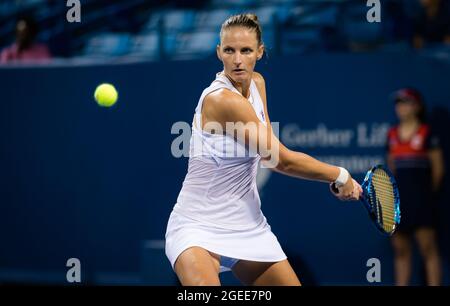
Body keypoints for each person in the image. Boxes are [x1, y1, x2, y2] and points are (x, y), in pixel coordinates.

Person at [165, 14, 362, 286]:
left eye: (246, 51)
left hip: (248, 225)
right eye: (229, 50)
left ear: (259, 52)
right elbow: (281, 161)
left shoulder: (257, 83)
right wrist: (339, 175)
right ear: (218, 52)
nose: (237, 60)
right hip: (196, 226)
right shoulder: (221, 99)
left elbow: (266, 148)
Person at [386, 88, 445, 286]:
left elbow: (438, 170)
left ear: (417, 106)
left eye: (406, 102)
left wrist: (425, 196)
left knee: (428, 249)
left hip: (422, 203)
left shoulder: (428, 133)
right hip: (399, 205)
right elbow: (392, 169)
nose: (401, 106)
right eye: (398, 102)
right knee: (400, 251)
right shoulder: (392, 134)